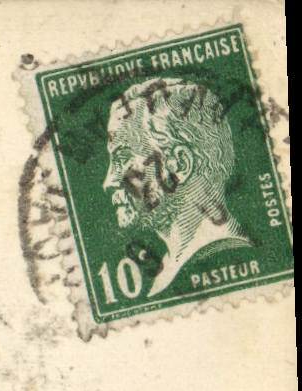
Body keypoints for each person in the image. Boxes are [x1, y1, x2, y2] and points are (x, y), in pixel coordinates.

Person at [102, 77, 251, 296]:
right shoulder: (171, 266)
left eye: (123, 159)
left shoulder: (220, 257)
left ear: (180, 164)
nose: (109, 182)